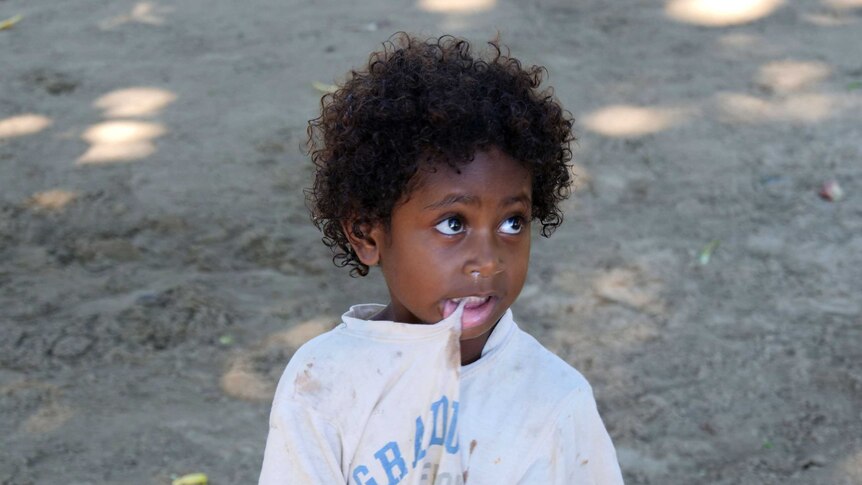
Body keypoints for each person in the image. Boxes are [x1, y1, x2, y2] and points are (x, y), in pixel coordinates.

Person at [259, 33, 624, 485]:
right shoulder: (322, 383)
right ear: (366, 233)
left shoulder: (556, 400)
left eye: (512, 222)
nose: (488, 261)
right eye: (453, 224)